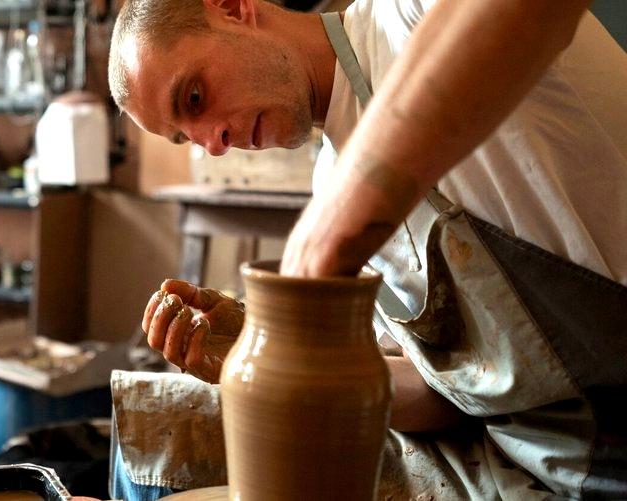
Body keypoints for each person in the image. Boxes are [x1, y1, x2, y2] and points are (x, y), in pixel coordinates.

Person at [110, 0, 627, 499]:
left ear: (231, 5)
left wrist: (335, 229)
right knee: (155, 420)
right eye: (185, 136)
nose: (213, 142)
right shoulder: (329, 176)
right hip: (523, 457)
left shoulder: (407, 14)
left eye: (194, 99)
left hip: (609, 462)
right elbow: (447, 394)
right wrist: (272, 358)